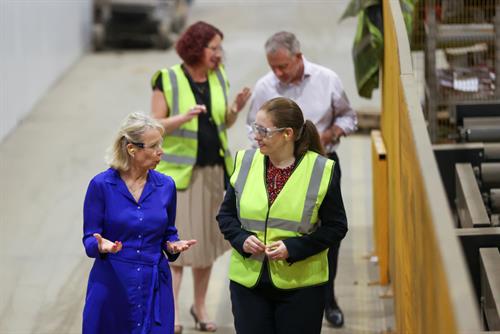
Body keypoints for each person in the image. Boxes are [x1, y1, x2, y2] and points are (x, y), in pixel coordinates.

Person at [245, 31, 357, 328]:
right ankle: (277, 290)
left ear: (298, 56)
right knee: (284, 228)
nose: (278, 73)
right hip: (277, 166)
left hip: (321, 163)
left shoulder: (327, 79)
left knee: (325, 234)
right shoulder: (264, 87)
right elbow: (250, 128)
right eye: (273, 67)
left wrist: (329, 135)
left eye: (283, 66)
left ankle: (327, 297)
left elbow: (349, 118)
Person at [150, 21, 251, 333]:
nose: (219, 54)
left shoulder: (217, 76)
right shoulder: (166, 79)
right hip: (180, 177)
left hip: (214, 172)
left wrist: (234, 109)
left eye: (220, 48)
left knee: (206, 245)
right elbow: (153, 126)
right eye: (214, 48)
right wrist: (184, 117)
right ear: (196, 47)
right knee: (177, 247)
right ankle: (173, 313)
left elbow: (223, 123)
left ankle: (200, 306)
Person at [217, 97, 348, 334]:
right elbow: (226, 216)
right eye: (254, 128)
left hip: (301, 287)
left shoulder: (321, 169)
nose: (255, 136)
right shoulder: (245, 162)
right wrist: (241, 239)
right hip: (248, 284)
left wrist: (294, 248)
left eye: (262, 130)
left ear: (287, 134)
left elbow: (336, 227)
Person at [82, 112, 197, 334]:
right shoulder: (101, 186)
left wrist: (172, 245)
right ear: (132, 149)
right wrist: (100, 245)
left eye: (160, 144)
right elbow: (89, 238)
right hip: (113, 283)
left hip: (154, 285)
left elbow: (168, 232)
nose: (160, 151)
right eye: (153, 146)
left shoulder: (166, 186)